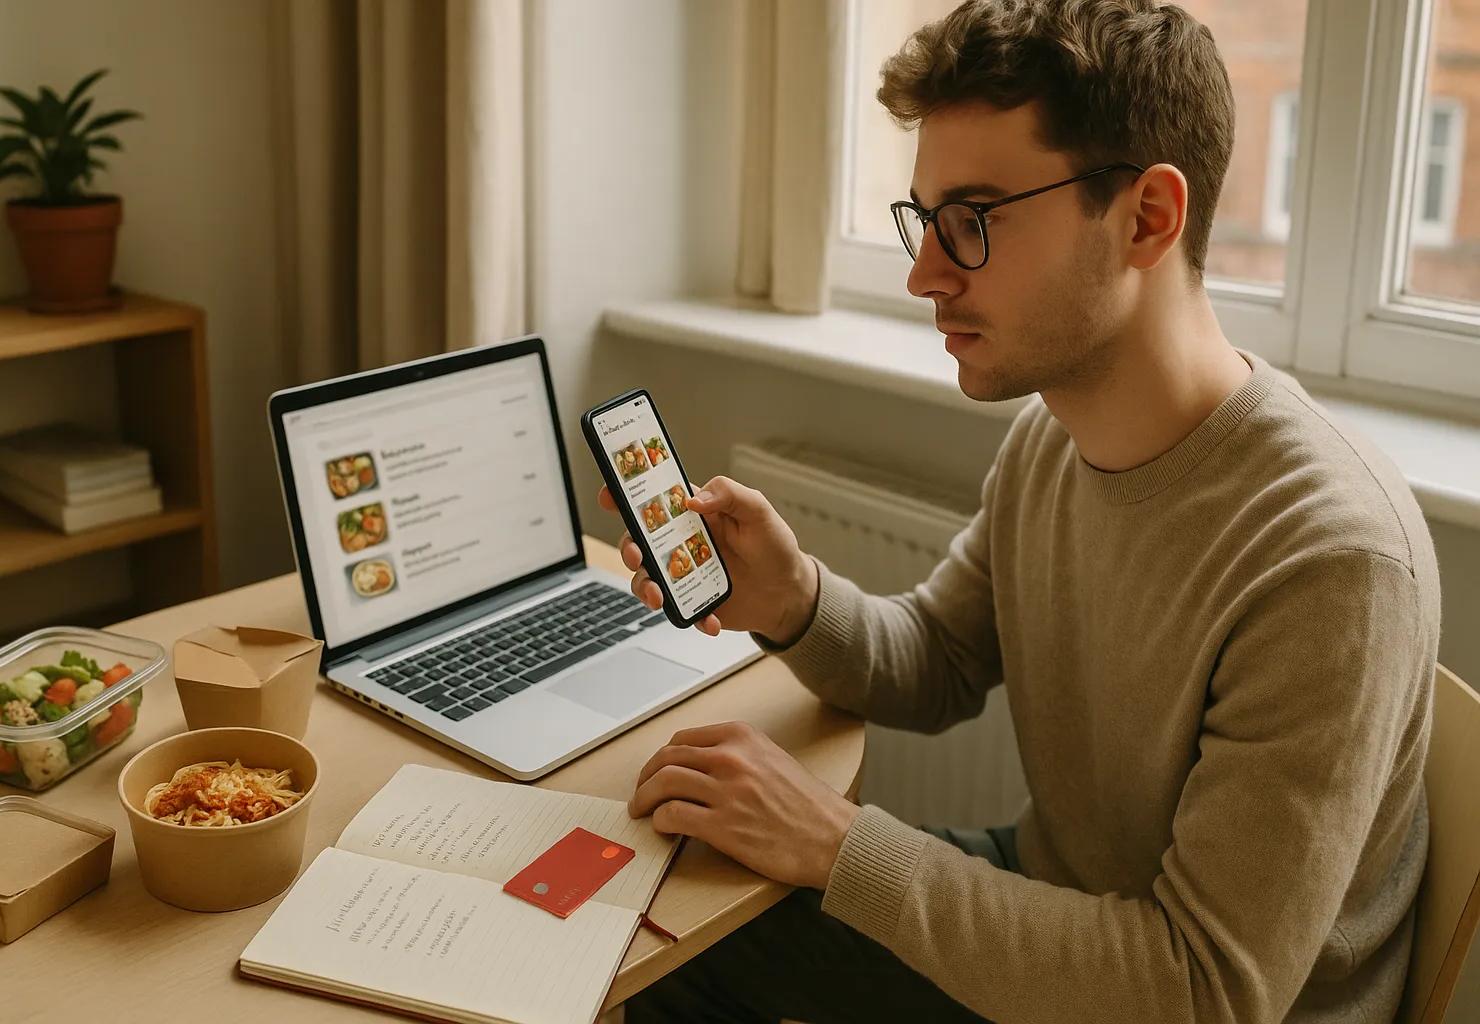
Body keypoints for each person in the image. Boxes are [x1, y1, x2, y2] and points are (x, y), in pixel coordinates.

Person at [616, 1, 1440, 1021]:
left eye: (973, 221)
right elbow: (940, 659)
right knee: (666, 905)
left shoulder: (1330, 560)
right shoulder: (1056, 436)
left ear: (1147, 217)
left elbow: (1204, 990)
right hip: (1065, 907)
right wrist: (792, 599)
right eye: (925, 220)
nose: (925, 275)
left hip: (1167, 990)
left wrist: (834, 841)